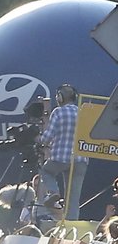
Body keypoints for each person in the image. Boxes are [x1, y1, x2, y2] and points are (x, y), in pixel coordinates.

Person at [38, 84, 88, 220]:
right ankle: (72, 225)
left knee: (46, 171)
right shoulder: (83, 113)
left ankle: (53, 191)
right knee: (73, 198)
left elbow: (48, 136)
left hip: (60, 157)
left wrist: (39, 140)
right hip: (80, 160)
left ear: (60, 97)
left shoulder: (58, 112)